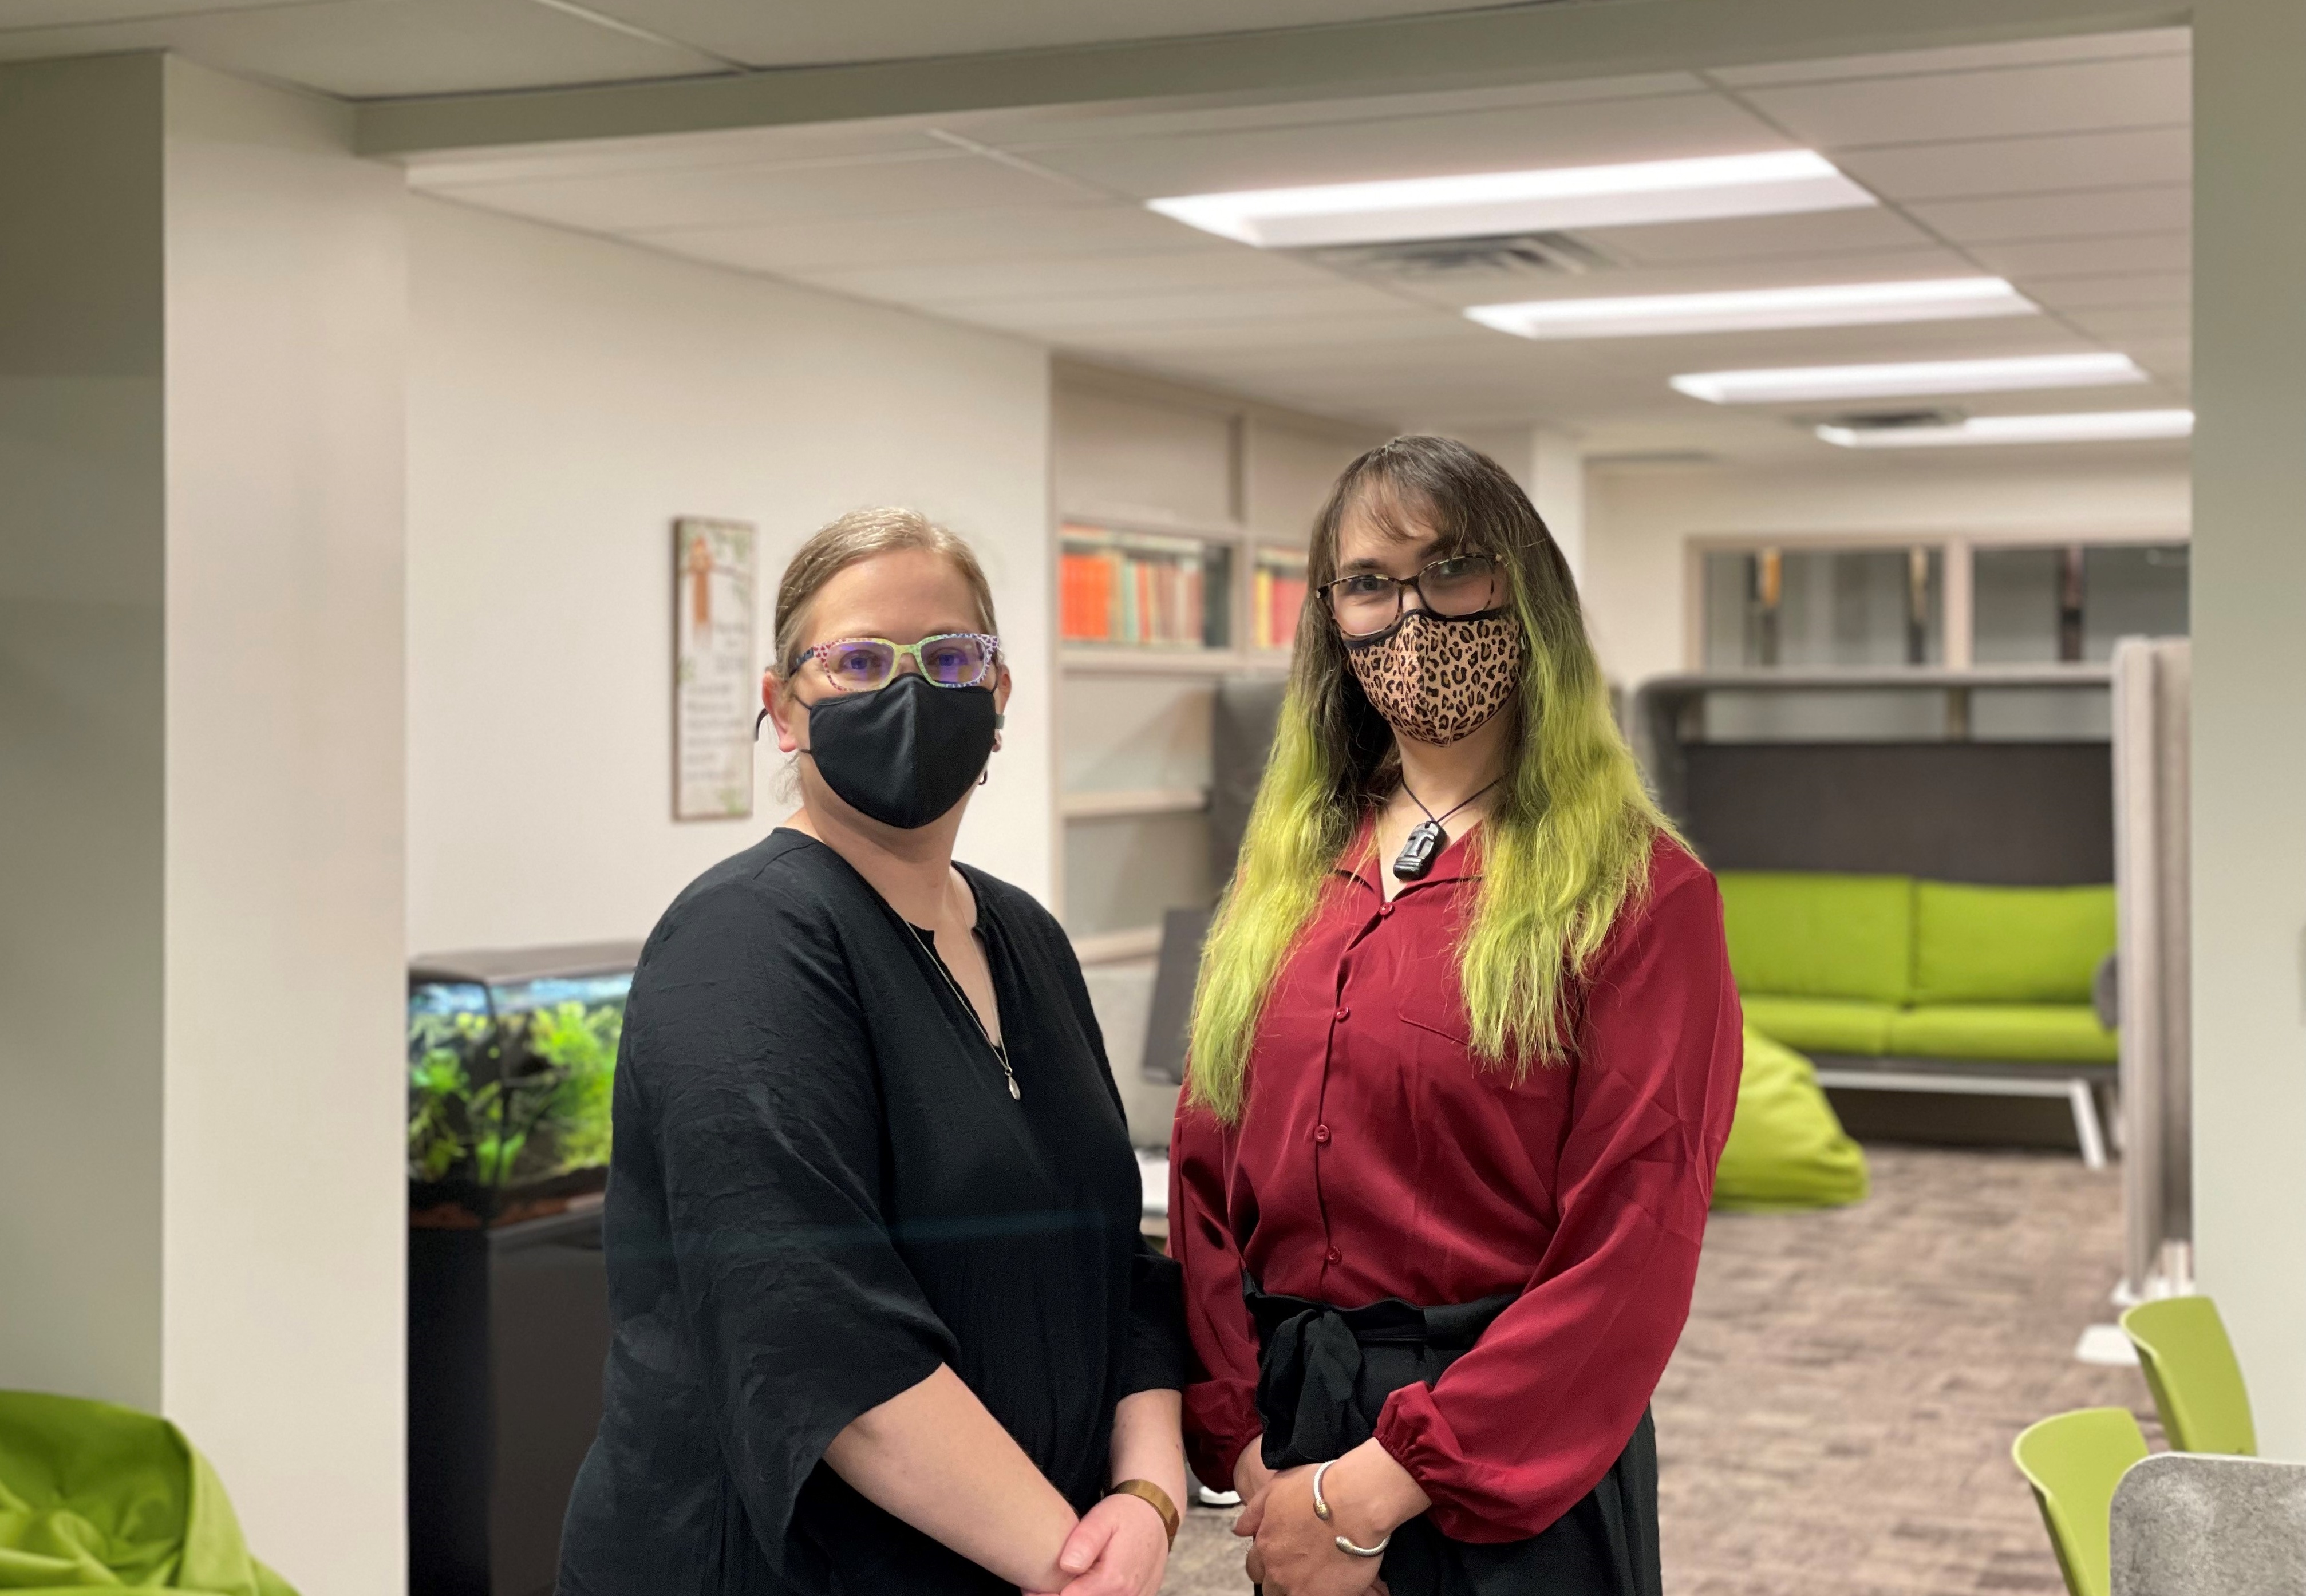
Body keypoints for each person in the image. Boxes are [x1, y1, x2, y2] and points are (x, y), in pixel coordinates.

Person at [559, 508, 1188, 1596]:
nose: (908, 693)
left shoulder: (1025, 936)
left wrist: (1146, 1497)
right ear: (783, 709)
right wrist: (1076, 1565)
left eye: (950, 657)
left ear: (997, 698)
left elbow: (1116, 1266)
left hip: (1038, 1558)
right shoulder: (745, 940)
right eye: (855, 662)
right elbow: (816, 1332)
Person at [1169, 437, 1743, 1596]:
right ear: (1330, 618)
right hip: (1297, 1437)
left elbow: (1631, 1246)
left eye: (1453, 570)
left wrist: (1371, 1492)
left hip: (1511, 1458)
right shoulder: (1283, 874)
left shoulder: (1639, 891)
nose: (1411, 613)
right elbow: (1203, 1184)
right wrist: (1251, 1447)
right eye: (1370, 582)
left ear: (1523, 591)